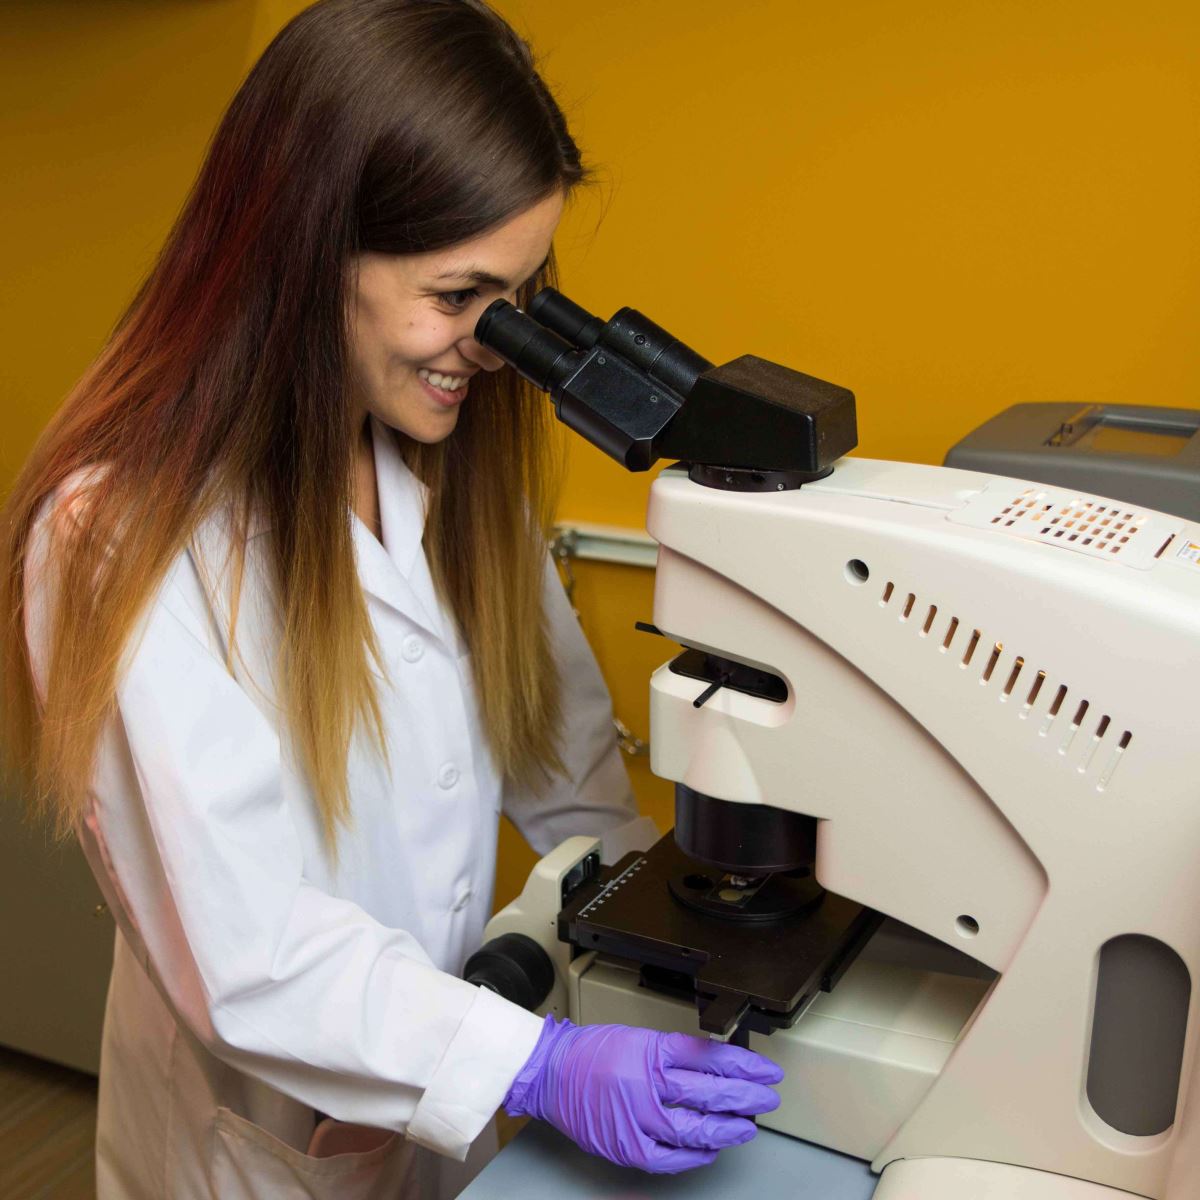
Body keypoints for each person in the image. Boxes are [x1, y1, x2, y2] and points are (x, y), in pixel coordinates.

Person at [0, 2, 784, 1197]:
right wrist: (537, 1064)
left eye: (517, 297)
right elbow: (248, 948)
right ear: (305, 254)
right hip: (252, 1147)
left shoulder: (450, 472)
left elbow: (572, 784)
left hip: (446, 1117)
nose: (493, 345)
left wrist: (681, 938)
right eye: (459, 295)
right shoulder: (116, 537)